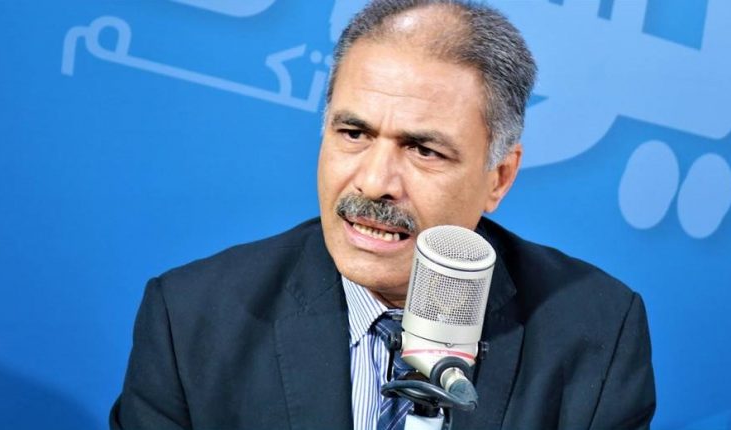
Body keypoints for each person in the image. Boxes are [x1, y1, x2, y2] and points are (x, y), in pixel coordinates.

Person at [110, 1, 656, 429]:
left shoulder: (595, 331)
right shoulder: (192, 320)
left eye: (423, 149)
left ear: (499, 177)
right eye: (354, 133)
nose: (374, 182)